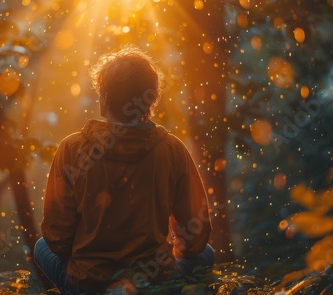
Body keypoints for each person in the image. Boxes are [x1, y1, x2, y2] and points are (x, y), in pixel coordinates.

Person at [34, 45, 214, 294]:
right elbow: (195, 235)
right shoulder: (172, 149)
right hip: (152, 282)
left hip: (89, 284)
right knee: (206, 253)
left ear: (105, 98)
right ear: (150, 100)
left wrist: (91, 261)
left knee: (41, 247)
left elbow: (56, 237)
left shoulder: (72, 148)